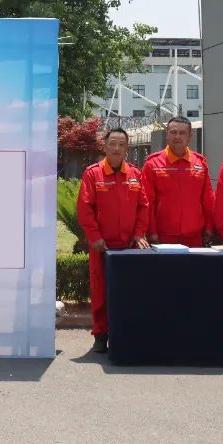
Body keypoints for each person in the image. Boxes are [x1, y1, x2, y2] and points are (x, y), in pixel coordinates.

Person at [76, 127, 149, 354]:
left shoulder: (135, 174)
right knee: (100, 291)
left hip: (128, 247)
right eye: (113, 144)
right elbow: (85, 209)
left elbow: (143, 206)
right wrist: (95, 237)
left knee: (129, 291)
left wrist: (139, 234)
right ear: (105, 146)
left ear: (127, 148)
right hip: (102, 247)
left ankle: (126, 334)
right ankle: (101, 335)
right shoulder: (93, 174)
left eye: (121, 145)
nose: (117, 148)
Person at [141, 116, 214, 248]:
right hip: (163, 238)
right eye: (173, 132)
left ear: (190, 136)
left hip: (195, 237)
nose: (177, 137)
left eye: (182, 133)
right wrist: (152, 232)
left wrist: (209, 227)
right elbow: (147, 202)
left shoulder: (200, 163)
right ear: (167, 134)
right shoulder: (152, 164)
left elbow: (208, 199)